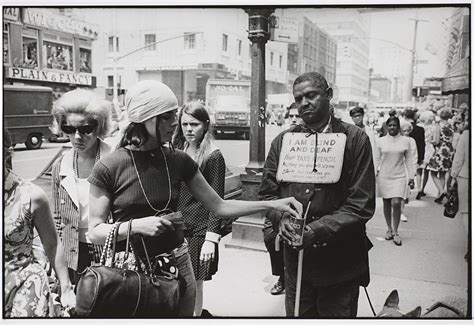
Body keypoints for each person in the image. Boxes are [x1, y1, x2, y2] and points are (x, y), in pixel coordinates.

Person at [87, 80, 302, 317]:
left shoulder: (178, 160)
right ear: (147, 119)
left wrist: (272, 204)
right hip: (130, 269)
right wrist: (137, 226)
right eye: (167, 117)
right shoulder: (109, 166)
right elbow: (95, 232)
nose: (174, 124)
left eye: (173, 116)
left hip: (177, 262)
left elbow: (219, 205)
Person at [259, 72, 375, 317]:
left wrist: (317, 230)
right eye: (298, 98)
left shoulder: (355, 140)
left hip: (341, 266)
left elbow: (361, 204)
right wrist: (282, 220)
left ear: (329, 95)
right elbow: (268, 195)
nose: (304, 103)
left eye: (311, 95)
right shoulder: (283, 141)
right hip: (297, 267)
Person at [4, 130, 75, 317]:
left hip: (24, 286)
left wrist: (66, 288)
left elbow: (51, 243)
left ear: (6, 153)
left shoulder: (30, 195)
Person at [51, 89, 113, 285]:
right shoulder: (60, 165)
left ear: (99, 126)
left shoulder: (115, 160)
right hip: (72, 252)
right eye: (69, 129)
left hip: (108, 249)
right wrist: (55, 261)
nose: (77, 137)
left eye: (85, 129)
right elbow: (58, 219)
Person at [172, 101, 225, 316]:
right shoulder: (178, 149)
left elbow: (217, 199)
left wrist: (211, 239)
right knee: (175, 280)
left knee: (195, 283)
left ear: (205, 124)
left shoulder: (213, 155)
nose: (189, 130)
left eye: (194, 124)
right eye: (184, 124)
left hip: (200, 231)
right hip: (177, 226)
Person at [375, 116, 415, 246]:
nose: (392, 127)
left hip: (399, 176)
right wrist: (373, 174)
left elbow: (409, 160)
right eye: (390, 125)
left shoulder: (406, 141)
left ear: (398, 127)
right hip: (384, 176)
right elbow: (376, 159)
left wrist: (411, 177)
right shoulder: (380, 141)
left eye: (394, 125)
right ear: (387, 127)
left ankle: (396, 231)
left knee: (397, 202)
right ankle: (389, 229)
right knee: (386, 202)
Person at [450, 112, 469, 261]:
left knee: (466, 212)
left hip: (465, 177)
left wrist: (453, 177)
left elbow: (458, 159)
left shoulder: (465, 136)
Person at [426, 108, 455, 204]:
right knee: (443, 173)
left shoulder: (438, 127)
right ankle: (440, 194)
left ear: (440, 116)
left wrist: (430, 140)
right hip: (449, 151)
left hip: (440, 151)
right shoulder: (452, 126)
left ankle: (442, 191)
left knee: (432, 172)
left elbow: (437, 141)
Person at [399, 122, 418, 222]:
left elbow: (414, 156)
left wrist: (413, 172)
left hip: (407, 169)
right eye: (404, 131)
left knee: (404, 192)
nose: (406, 133)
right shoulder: (398, 140)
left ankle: (401, 212)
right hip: (396, 168)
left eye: (408, 131)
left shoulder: (412, 141)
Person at [416, 110, 437, 200]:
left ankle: (418, 188)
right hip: (430, 149)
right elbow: (435, 140)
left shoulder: (419, 127)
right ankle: (423, 189)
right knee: (426, 171)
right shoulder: (434, 127)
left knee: (419, 171)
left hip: (421, 148)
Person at [403, 109, 425, 191]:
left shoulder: (402, 127)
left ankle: (409, 187)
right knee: (418, 171)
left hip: (405, 155)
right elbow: (422, 144)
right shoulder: (420, 129)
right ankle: (419, 188)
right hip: (417, 152)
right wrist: (422, 157)